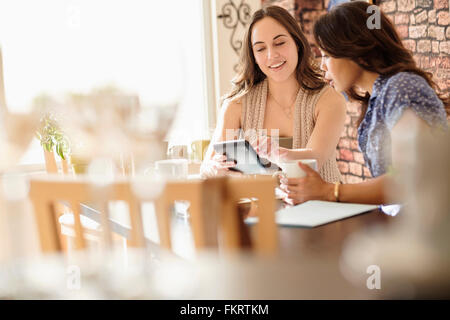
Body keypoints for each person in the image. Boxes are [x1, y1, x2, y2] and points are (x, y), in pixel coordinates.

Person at [279, 1, 448, 205]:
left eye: (328, 55)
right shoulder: (378, 96)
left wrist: (329, 191)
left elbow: (410, 178)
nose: (323, 66)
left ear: (357, 50)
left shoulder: (401, 87)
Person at [201, 6, 346, 183]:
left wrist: (274, 152)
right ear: (253, 56)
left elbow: (313, 160)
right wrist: (213, 168)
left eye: (279, 43)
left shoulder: (329, 100)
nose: (272, 55)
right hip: (261, 209)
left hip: (325, 207)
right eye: (260, 49)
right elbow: (207, 167)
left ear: (297, 44)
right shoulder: (236, 105)